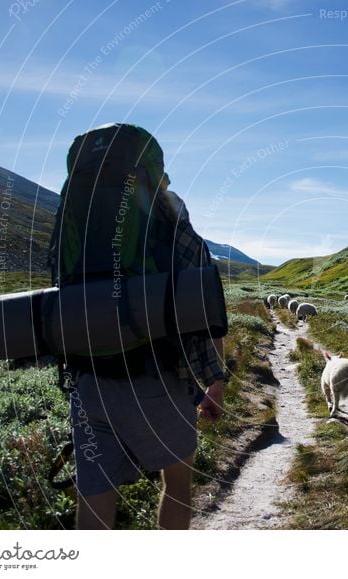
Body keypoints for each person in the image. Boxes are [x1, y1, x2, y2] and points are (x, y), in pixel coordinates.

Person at [61, 126, 225, 530]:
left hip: (87, 381)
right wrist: (214, 381)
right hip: (156, 379)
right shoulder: (170, 220)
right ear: (154, 172)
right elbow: (205, 304)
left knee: (95, 498)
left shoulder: (76, 220)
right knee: (178, 482)